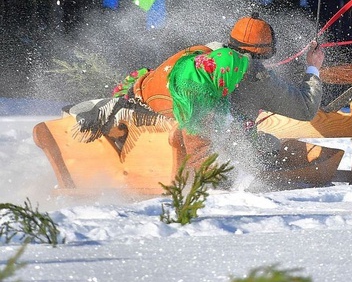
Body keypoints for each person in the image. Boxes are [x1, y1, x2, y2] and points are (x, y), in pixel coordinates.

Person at [71, 14, 324, 171]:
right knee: (270, 144)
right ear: (266, 52)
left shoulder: (200, 54)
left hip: (152, 121)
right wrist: (313, 67)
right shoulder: (259, 79)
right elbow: (305, 108)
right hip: (213, 146)